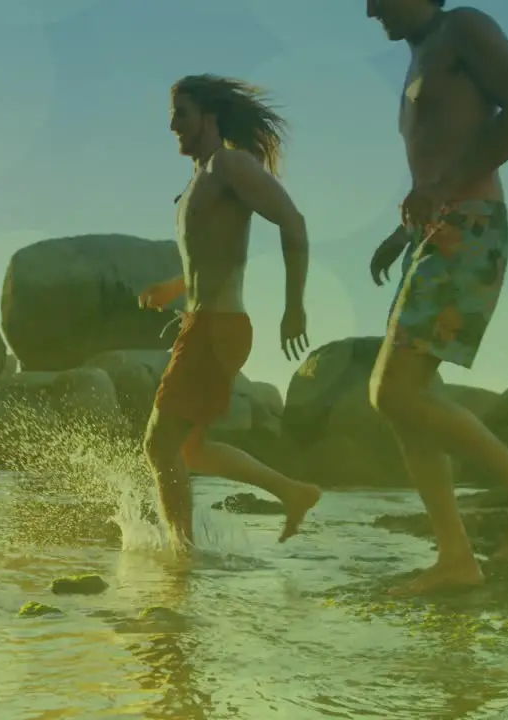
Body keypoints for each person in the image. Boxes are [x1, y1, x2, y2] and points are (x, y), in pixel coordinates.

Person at [364, 0, 508, 595]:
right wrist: (401, 232)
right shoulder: (420, 58)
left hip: (470, 227)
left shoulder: (464, 29)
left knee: (392, 390)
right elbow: (439, 157)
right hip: (437, 231)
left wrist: (445, 191)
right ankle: (454, 557)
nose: (370, 7)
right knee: (408, 398)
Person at [138, 74, 321, 551]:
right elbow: (211, 259)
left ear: (209, 116)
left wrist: (294, 306)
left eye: (181, 113)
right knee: (190, 449)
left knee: (159, 447)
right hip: (202, 325)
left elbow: (293, 221)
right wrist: (174, 288)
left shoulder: (229, 165)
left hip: (217, 328)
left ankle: (181, 557)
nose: (172, 124)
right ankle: (293, 492)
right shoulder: (200, 178)